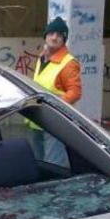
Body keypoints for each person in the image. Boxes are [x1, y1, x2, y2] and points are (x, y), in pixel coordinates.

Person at [28, 16, 82, 167]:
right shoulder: (43, 58)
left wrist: (54, 105)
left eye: (59, 35)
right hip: (37, 118)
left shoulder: (68, 63)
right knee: (38, 162)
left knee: (54, 164)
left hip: (54, 119)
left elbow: (75, 92)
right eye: (51, 33)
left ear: (64, 40)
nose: (54, 37)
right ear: (45, 36)